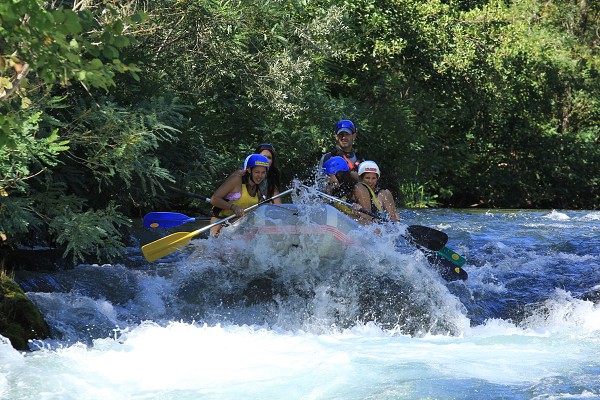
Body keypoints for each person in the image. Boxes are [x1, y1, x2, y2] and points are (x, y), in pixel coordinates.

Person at [209, 154, 270, 237]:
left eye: (263, 173)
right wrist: (233, 207)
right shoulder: (236, 179)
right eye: (257, 172)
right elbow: (214, 199)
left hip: (241, 225)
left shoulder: (259, 187)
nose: (260, 176)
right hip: (221, 222)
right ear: (249, 170)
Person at [322, 156, 373, 224]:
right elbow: (323, 210)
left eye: (328, 176)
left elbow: (369, 222)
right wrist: (328, 192)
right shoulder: (333, 188)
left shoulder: (359, 189)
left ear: (338, 174)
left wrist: (343, 216)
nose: (327, 179)